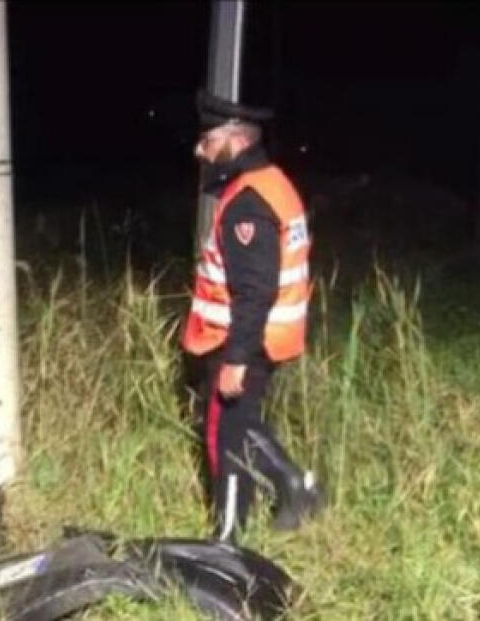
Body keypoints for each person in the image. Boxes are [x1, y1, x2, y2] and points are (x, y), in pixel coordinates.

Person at [182, 89, 324, 544]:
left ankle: (228, 540)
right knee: (241, 428)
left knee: (227, 437)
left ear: (233, 140)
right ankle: (288, 495)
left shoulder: (248, 203)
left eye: (207, 141)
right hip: (264, 337)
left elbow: (255, 290)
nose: (198, 151)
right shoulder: (272, 183)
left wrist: (237, 358)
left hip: (241, 340)